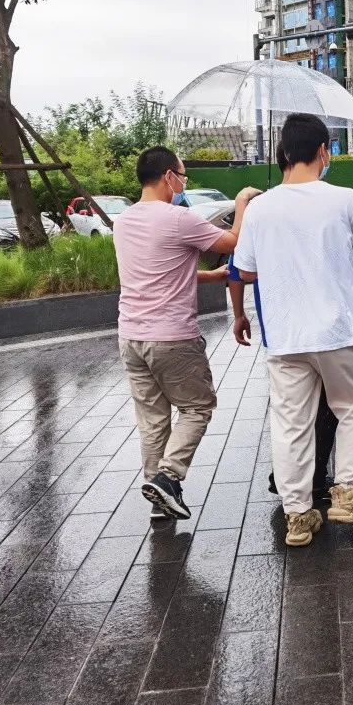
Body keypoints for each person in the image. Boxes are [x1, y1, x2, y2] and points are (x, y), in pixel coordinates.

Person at [234, 113, 353, 548]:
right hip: (337, 330)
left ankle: (298, 517)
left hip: (285, 336)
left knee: (291, 423)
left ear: (284, 153)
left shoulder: (260, 208)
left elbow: (244, 270)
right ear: (323, 151)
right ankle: (346, 494)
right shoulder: (344, 199)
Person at [114, 146, 261, 520]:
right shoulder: (178, 218)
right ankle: (168, 477)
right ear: (168, 176)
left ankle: (158, 496)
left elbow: (154, 269)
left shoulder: (125, 220)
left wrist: (206, 276)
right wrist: (242, 200)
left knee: (152, 418)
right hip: (171, 337)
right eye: (183, 175)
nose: (183, 183)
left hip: (131, 336)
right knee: (198, 407)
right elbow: (234, 242)